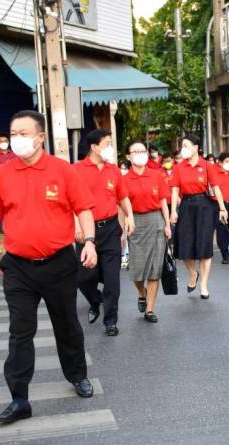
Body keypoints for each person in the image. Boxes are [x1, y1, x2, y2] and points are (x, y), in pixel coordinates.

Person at [0, 109, 97, 424]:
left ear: (40, 137)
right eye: (13, 134)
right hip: (18, 268)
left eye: (24, 134)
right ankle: (19, 398)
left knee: (66, 324)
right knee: (20, 331)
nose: (17, 139)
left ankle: (77, 375)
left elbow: (83, 208)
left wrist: (89, 241)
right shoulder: (2, 175)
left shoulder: (62, 170)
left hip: (59, 264)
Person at [74, 128, 133, 337]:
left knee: (112, 280)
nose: (111, 148)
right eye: (107, 143)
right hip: (85, 231)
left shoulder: (113, 170)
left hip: (110, 229)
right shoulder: (76, 170)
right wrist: (77, 226)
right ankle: (95, 300)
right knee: (84, 277)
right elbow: (70, 202)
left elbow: (123, 197)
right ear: (94, 147)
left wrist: (130, 217)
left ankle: (111, 321)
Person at [169, 135, 228, 299]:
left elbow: (216, 188)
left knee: (204, 246)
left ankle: (203, 285)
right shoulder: (179, 167)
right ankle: (193, 273)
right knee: (184, 245)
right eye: (182, 146)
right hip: (186, 206)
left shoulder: (207, 165)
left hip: (205, 207)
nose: (183, 149)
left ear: (195, 148)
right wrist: (173, 210)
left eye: (186, 146)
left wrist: (222, 208)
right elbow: (175, 189)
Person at [123, 141, 172, 323]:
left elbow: (163, 201)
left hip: (156, 220)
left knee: (154, 269)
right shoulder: (124, 179)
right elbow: (121, 206)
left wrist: (167, 224)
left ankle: (150, 309)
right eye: (135, 151)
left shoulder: (156, 175)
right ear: (128, 156)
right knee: (137, 270)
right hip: (135, 222)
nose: (140, 154)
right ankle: (141, 292)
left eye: (142, 150)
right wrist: (123, 229)